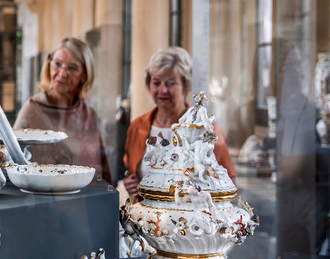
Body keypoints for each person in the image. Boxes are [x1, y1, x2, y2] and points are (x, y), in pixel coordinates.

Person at [122, 47, 235, 203]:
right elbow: (133, 171)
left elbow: (228, 186)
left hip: (192, 223)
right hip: (146, 221)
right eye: (156, 82)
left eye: (171, 83)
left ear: (187, 86)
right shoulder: (136, 127)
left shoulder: (208, 131)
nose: (163, 90)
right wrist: (132, 184)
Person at [14, 37, 112, 184]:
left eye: (72, 68)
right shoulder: (32, 109)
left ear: (84, 75)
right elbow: (11, 160)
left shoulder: (88, 114)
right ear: (49, 65)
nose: (62, 73)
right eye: (57, 64)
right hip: (42, 199)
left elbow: (102, 168)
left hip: (85, 200)